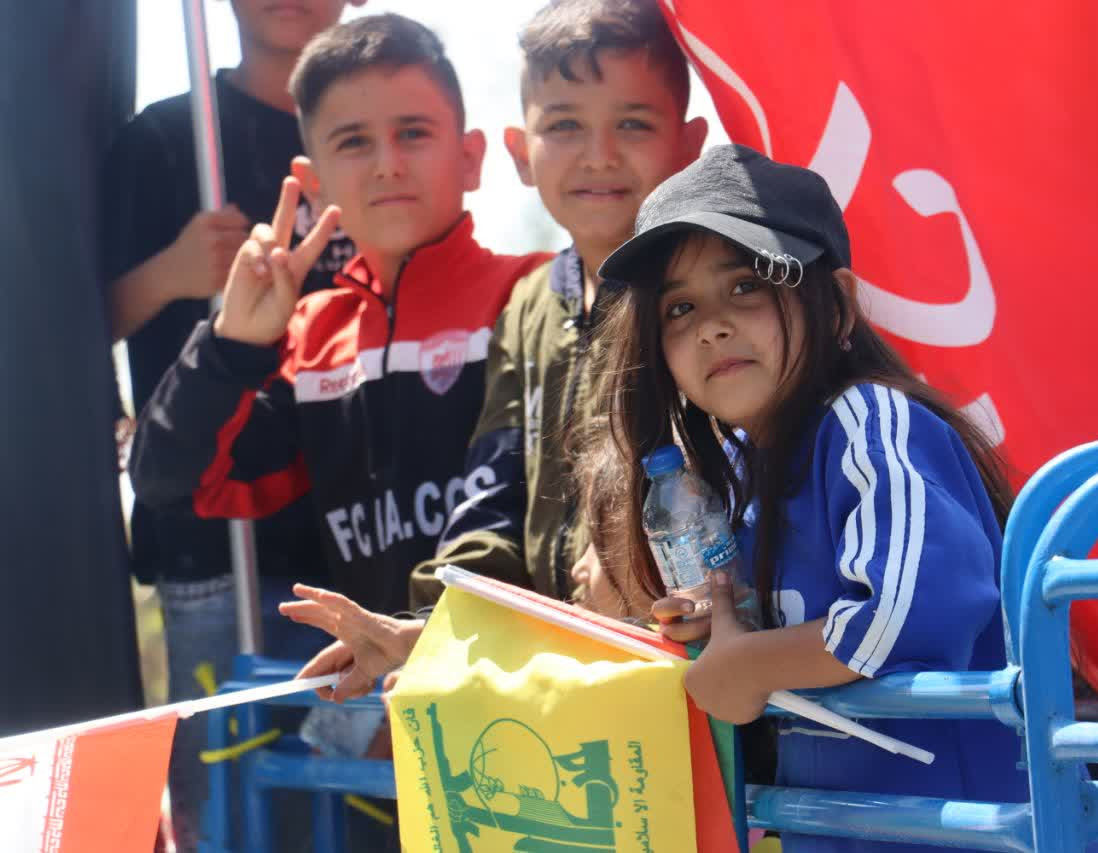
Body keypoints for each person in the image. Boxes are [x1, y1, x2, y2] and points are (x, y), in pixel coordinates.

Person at [589, 143, 1029, 853]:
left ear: (838, 307)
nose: (711, 326)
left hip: (967, 836)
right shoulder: (736, 473)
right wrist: (718, 628)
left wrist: (750, 663)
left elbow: (904, 616)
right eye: (680, 307)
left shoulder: (871, 420)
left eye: (746, 286)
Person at [128, 12, 548, 621]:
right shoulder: (313, 338)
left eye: (413, 133)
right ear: (313, 183)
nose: (387, 165)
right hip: (381, 677)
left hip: (524, 660)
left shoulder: (533, 291)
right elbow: (169, 482)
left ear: (470, 158)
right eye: (353, 142)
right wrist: (233, 343)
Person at [101, 2, 360, 846]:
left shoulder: (372, 129)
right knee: (235, 820)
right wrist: (174, 272)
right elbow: (62, 329)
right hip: (213, 550)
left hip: (360, 547)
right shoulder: (165, 139)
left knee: (363, 814)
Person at [407, 0, 706, 617]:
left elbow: (740, 466)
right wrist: (441, 621)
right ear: (521, 152)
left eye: (633, 124)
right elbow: (492, 493)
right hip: (557, 648)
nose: (599, 155)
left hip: (686, 640)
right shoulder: (526, 307)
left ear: (688, 146)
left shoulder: (705, 294)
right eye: (565, 125)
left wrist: (636, 549)